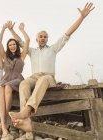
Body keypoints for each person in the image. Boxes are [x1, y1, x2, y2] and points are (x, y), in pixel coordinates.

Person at [9, 2, 95, 132]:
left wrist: (81, 17)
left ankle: (26, 111)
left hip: (48, 78)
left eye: (45, 37)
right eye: (40, 36)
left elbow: (68, 33)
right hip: (34, 77)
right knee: (24, 84)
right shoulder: (32, 51)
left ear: (47, 39)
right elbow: (20, 42)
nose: (43, 38)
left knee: (43, 80)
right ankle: (25, 120)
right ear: (36, 39)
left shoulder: (53, 49)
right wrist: (11, 29)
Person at [0, 22, 30, 139]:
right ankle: (4, 123)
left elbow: (27, 40)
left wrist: (19, 30)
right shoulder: (4, 57)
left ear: (16, 45)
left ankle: (4, 120)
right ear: (8, 47)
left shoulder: (22, 56)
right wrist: (3, 28)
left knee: (7, 86)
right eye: (10, 45)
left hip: (17, 79)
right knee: (0, 88)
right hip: (5, 78)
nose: (12, 46)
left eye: (14, 44)